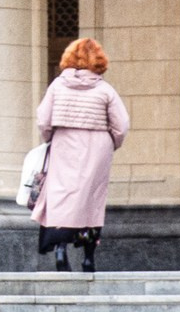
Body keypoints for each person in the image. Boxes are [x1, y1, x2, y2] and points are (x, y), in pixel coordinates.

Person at [32, 37, 131, 272]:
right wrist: (111, 143)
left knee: (61, 196)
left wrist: (50, 138)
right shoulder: (105, 90)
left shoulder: (57, 86)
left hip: (65, 144)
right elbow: (122, 124)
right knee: (90, 202)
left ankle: (59, 250)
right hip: (97, 148)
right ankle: (88, 256)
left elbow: (43, 119)